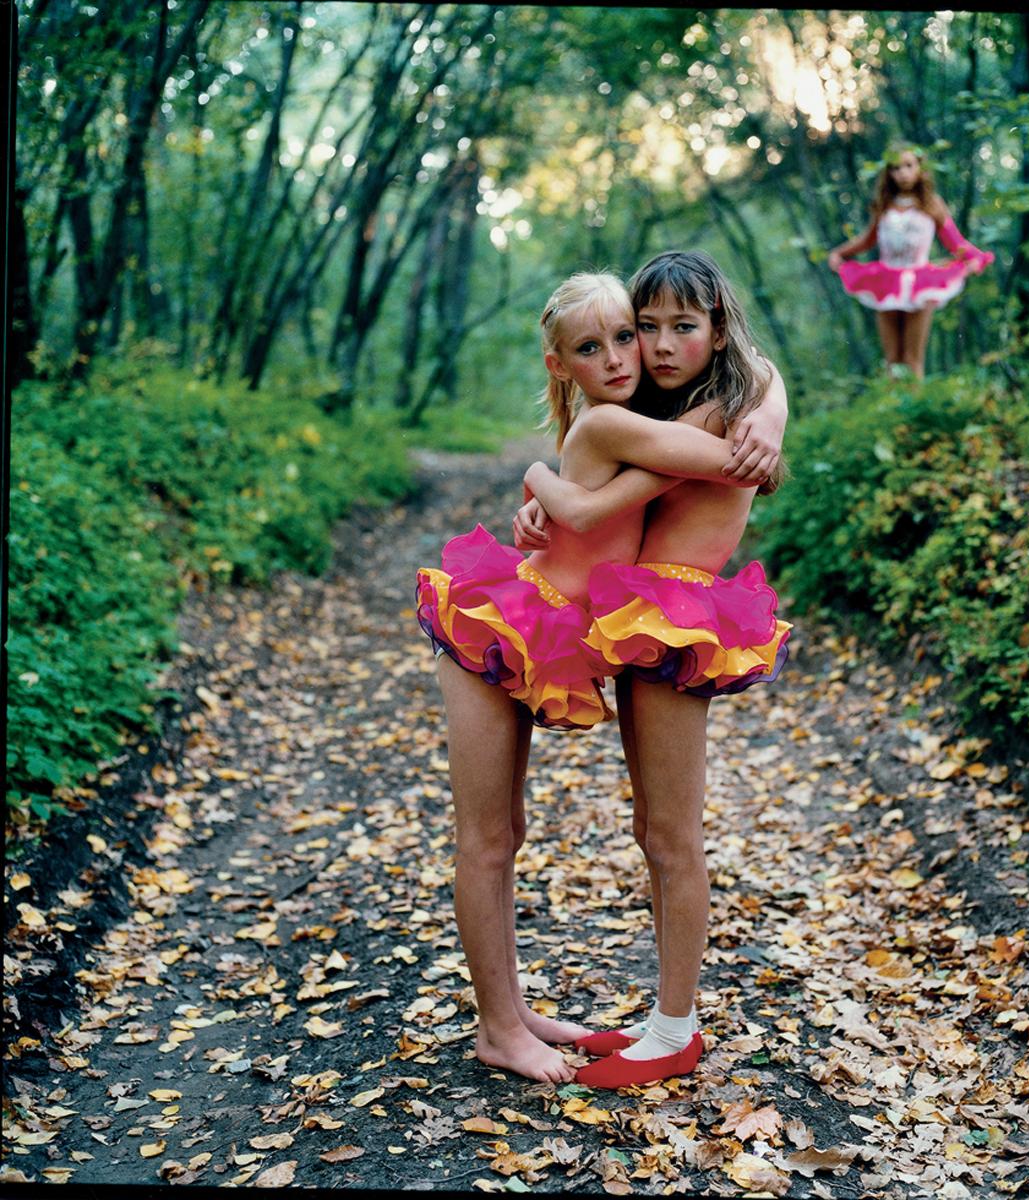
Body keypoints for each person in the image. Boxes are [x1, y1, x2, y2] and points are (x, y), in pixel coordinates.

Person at [415, 269, 785, 1083]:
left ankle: (515, 1013)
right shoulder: (614, 422)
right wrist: (542, 482)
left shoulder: (632, 417)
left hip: (545, 626)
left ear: (712, 331)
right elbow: (714, 466)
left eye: (635, 335)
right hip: (499, 623)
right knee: (486, 838)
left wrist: (770, 403)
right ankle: (498, 1027)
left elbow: (691, 465)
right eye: (603, 343)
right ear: (561, 363)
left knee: (509, 833)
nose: (632, 354)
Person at [827, 144, 993, 380]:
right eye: (895, 168)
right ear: (889, 173)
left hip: (920, 283)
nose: (902, 173)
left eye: (908, 166)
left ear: (920, 168)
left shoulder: (932, 204)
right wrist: (839, 253)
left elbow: (954, 241)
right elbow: (867, 239)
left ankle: (915, 410)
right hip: (885, 282)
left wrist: (975, 257)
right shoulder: (884, 204)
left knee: (913, 356)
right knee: (892, 357)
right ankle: (895, 412)